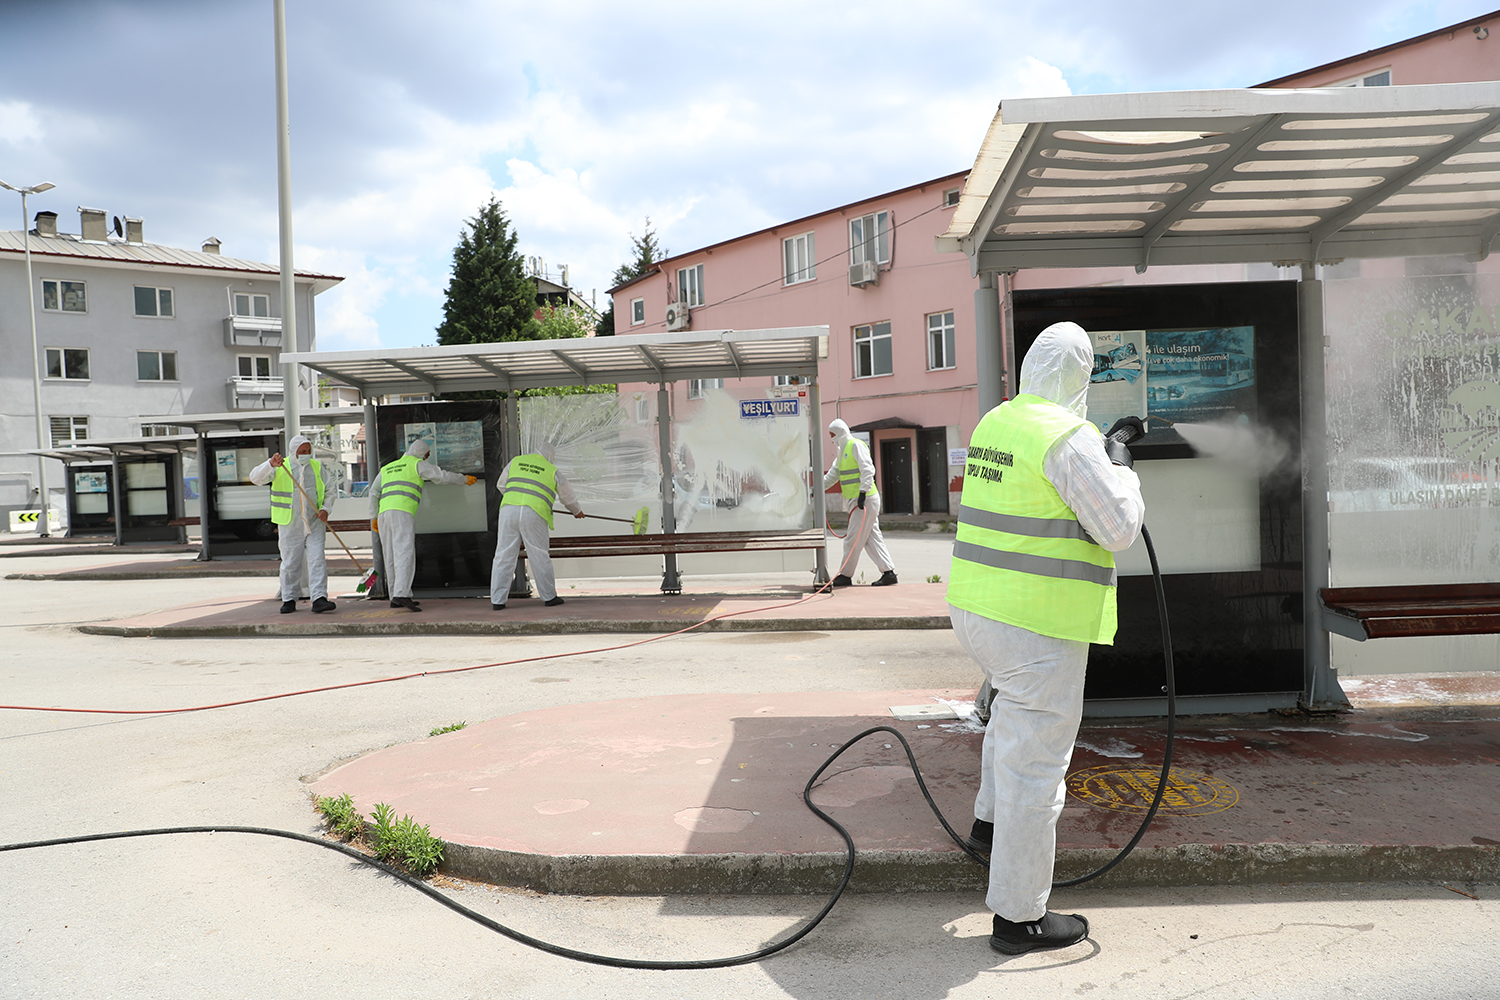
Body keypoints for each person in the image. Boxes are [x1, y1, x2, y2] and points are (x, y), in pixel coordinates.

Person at [947, 320, 1145, 956]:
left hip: (978, 610)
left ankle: (987, 825)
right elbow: (1116, 526)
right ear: (1082, 378)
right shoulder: (1069, 436)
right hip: (1039, 623)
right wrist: (1121, 465)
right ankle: (1019, 917)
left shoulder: (997, 421)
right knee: (1037, 765)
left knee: (1010, 714)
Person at [369, 438, 475, 611]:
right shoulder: (417, 464)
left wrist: (373, 516)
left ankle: (395, 594)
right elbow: (442, 476)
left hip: (383, 514)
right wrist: (464, 479)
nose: (427, 458)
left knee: (390, 555)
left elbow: (374, 492)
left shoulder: (387, 468)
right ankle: (402, 595)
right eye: (427, 455)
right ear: (423, 453)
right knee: (404, 552)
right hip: (402, 512)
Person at [249, 434, 339, 614]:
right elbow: (255, 478)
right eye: (302, 451)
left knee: (317, 560)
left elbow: (330, 489)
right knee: (290, 562)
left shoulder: (317, 466)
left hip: (314, 522)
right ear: (293, 452)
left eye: (308, 450)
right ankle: (289, 599)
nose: (306, 454)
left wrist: (326, 509)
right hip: (290, 523)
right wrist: (269, 464)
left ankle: (319, 598)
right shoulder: (280, 466)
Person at [489, 443, 584, 610]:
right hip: (534, 513)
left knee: (503, 554)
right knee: (538, 554)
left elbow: (501, 485)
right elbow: (568, 497)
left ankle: (498, 600)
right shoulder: (551, 470)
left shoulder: (516, 461)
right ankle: (549, 597)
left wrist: (518, 501)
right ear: (550, 456)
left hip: (508, 510)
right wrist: (577, 512)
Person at [821, 418, 896, 587]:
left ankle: (845, 575)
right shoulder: (841, 453)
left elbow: (868, 469)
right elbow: (832, 476)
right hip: (858, 501)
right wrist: (815, 488)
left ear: (840, 432)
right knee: (871, 539)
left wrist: (863, 491)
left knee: (852, 539)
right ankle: (889, 572)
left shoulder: (855, 445)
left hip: (864, 500)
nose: (831, 438)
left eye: (832, 434)